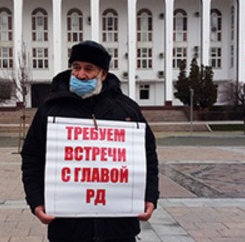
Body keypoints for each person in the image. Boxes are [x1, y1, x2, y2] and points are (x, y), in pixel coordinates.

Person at [21, 40, 159, 242]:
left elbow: (148, 157)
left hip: (118, 228)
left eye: (88, 69)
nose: (80, 74)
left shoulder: (126, 110)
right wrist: (36, 201)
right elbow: (32, 158)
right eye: (76, 67)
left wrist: (149, 197)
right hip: (68, 228)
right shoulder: (51, 109)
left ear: (103, 74)